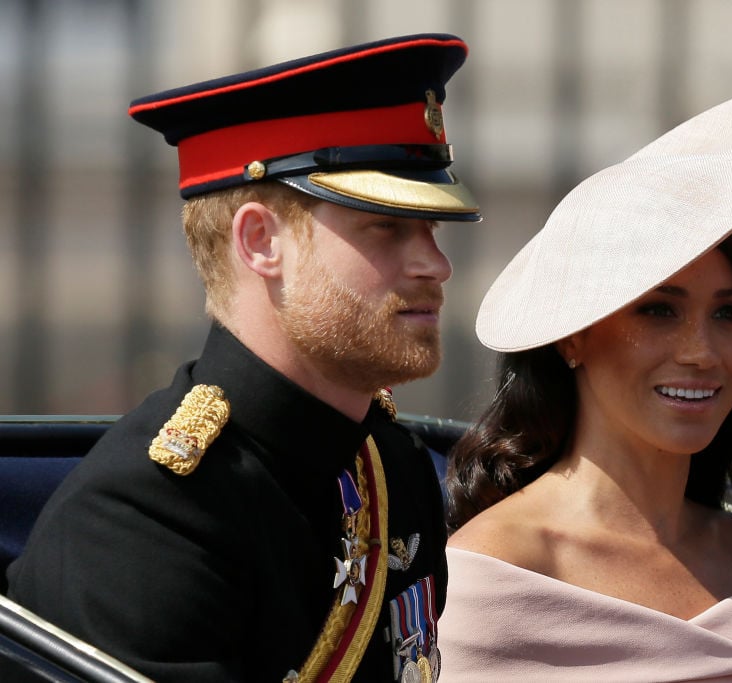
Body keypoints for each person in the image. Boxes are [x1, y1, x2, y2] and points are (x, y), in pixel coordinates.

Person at [5, 33, 479, 682]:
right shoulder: (147, 519)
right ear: (260, 241)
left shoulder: (390, 465)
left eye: (431, 228)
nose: (436, 265)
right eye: (387, 227)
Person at [439, 77, 732, 682]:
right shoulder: (494, 576)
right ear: (572, 335)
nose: (702, 352)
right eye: (659, 311)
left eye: (729, 313)